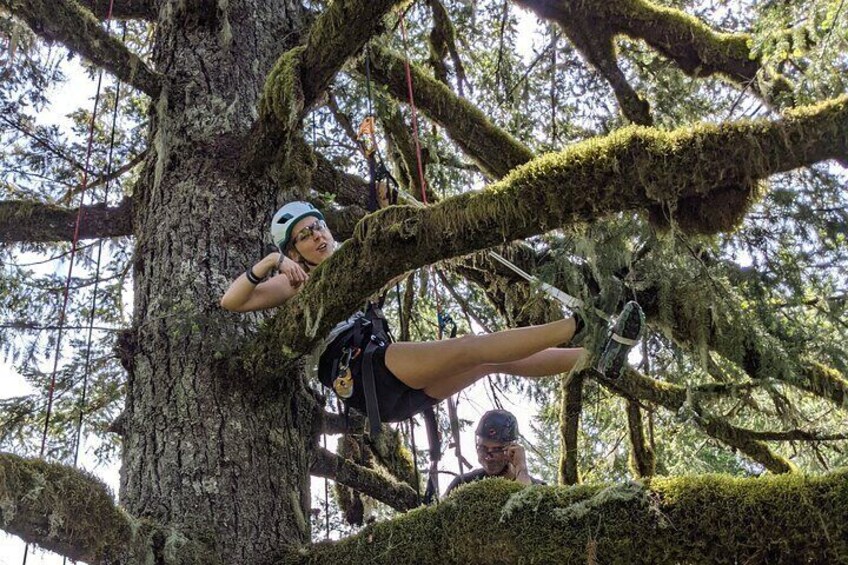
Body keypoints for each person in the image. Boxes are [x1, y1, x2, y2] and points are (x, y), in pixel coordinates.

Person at [221, 201, 644, 423]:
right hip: (363, 367)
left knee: (490, 363)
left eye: (318, 226)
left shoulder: (349, 265)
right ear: (293, 250)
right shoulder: (294, 282)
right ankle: (579, 325)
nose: (317, 236)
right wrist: (270, 264)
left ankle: (594, 360)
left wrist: (386, 209)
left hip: (389, 397)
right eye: (303, 236)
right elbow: (232, 301)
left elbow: (383, 245)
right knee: (469, 348)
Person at [444, 410, 544, 495]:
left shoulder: (538, 489)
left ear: (513, 449)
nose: (488, 457)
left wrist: (521, 469)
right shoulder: (462, 484)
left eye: (497, 449)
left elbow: (527, 505)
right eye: (483, 448)